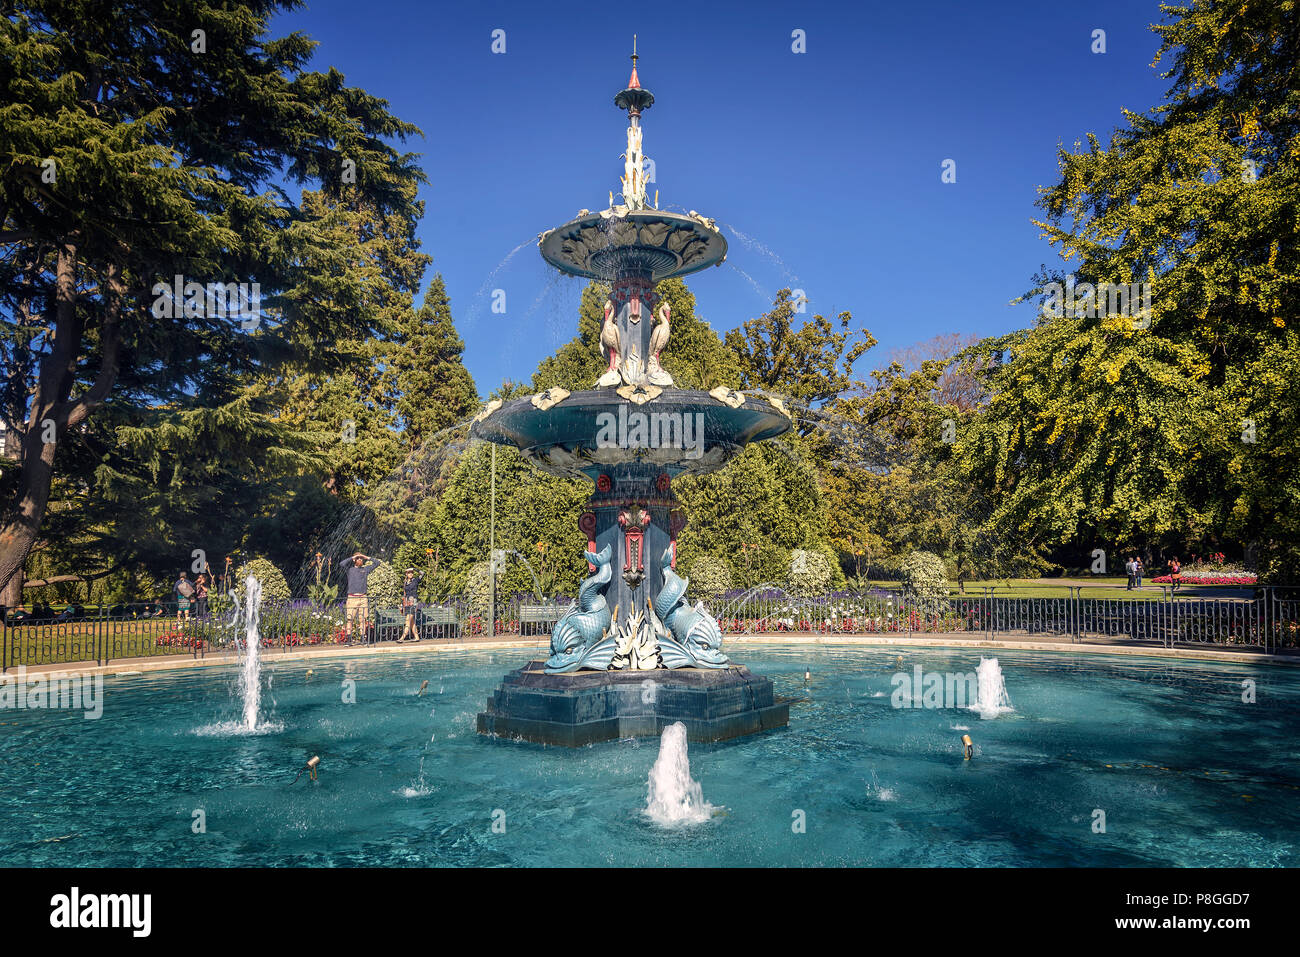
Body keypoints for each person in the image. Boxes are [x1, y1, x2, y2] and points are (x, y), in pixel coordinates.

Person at [339, 553, 377, 641]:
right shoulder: (350, 569)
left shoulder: (365, 569)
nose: (360, 560)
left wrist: (366, 557)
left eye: (361, 559)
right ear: (354, 560)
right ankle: (349, 639)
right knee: (350, 619)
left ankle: (363, 638)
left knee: (363, 619)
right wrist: (353, 557)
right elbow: (342, 563)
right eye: (358, 558)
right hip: (352, 597)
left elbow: (377, 563)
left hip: (363, 598)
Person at [398, 567, 423, 642]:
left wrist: (415, 569)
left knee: (408, 620)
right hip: (407, 603)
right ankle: (416, 637)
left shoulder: (415, 580)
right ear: (406, 574)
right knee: (412, 622)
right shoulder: (405, 582)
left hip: (413, 602)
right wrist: (402, 604)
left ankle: (402, 637)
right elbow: (405, 593)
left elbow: (423, 573)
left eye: (412, 572)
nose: (411, 574)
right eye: (409, 572)